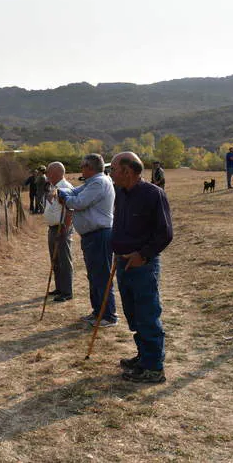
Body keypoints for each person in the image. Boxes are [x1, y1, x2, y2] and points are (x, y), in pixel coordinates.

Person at [109, 152, 173, 383]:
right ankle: (144, 356)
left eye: (113, 169)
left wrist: (142, 255)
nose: (111, 174)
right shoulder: (121, 194)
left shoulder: (153, 194)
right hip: (123, 262)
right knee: (134, 314)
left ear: (127, 171)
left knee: (147, 314)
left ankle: (154, 367)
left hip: (143, 265)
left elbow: (165, 234)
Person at [57, 153, 117, 327]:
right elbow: (74, 191)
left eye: (83, 166)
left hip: (100, 235)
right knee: (94, 276)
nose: (81, 168)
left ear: (90, 168)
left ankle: (108, 315)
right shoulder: (91, 182)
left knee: (101, 276)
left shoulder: (99, 182)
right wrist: (64, 193)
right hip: (91, 236)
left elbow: (79, 202)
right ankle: (98, 311)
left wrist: (65, 199)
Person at [44, 162, 74, 302]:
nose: (46, 175)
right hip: (53, 227)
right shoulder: (54, 187)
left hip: (61, 227)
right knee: (55, 259)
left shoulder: (65, 187)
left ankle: (67, 291)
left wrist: (64, 228)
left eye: (48, 172)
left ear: (56, 173)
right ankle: (59, 287)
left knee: (63, 259)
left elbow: (70, 210)